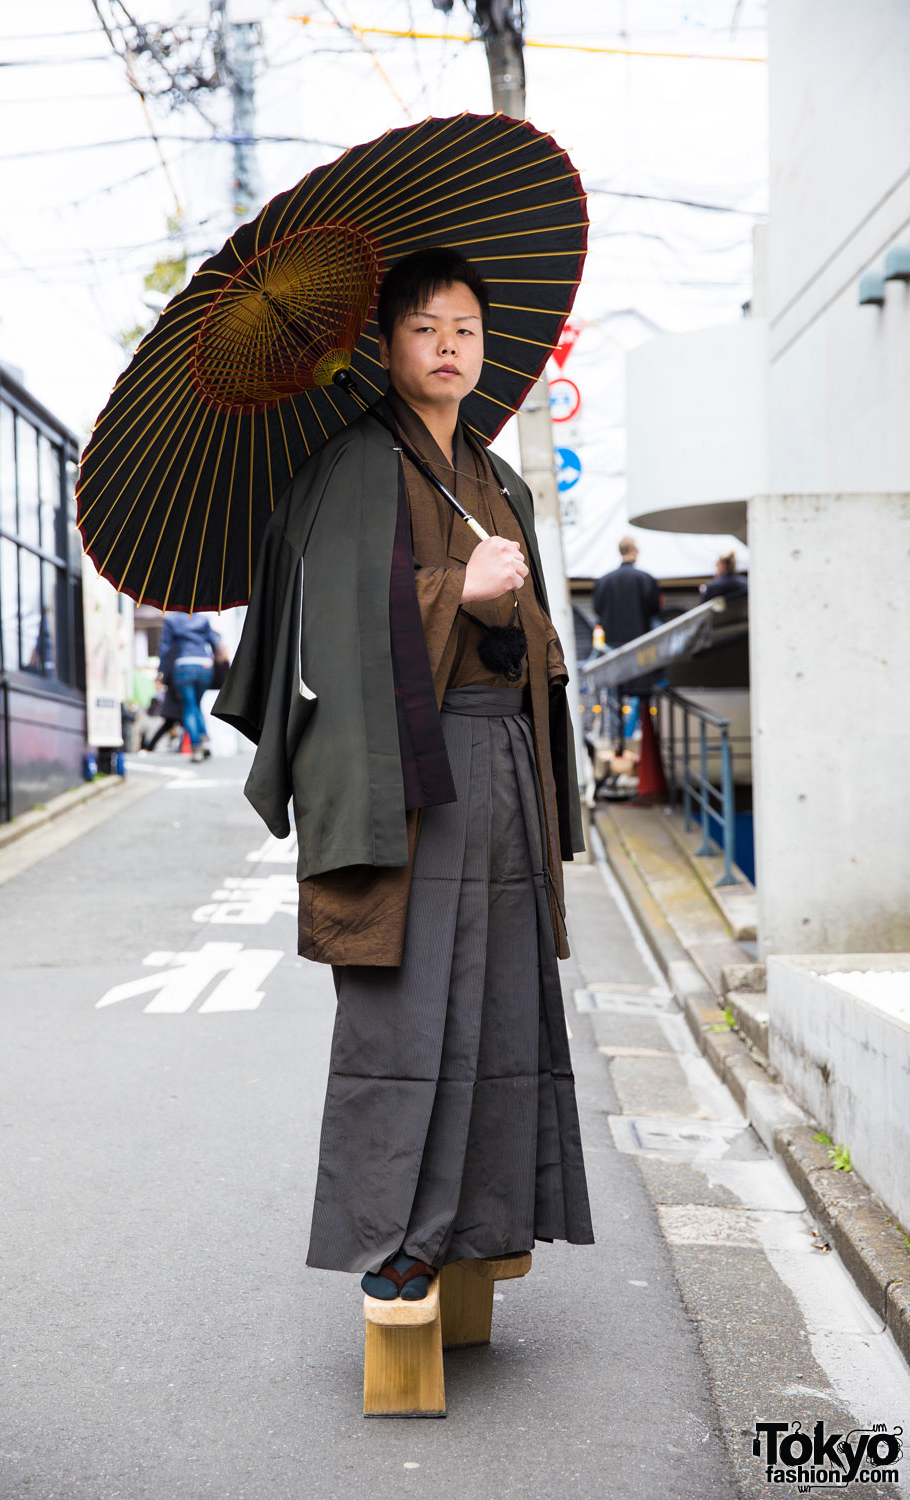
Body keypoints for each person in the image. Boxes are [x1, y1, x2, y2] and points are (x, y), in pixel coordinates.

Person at [214, 247, 594, 1304]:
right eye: (425, 328)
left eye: (465, 329)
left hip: (500, 771)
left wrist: (500, 612)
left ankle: (485, 1222)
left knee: (500, 1008)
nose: (448, 347)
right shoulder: (351, 467)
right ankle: (401, 1238)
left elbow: (527, 644)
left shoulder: (494, 475)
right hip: (405, 783)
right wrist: (453, 592)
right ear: (385, 348)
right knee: (408, 1010)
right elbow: (331, 639)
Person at [592, 537, 662, 752]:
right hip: (641, 648)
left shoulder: (603, 581)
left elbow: (597, 611)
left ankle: (617, 746)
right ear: (634, 551)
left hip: (613, 648)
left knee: (614, 698)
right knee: (643, 698)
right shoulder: (646, 579)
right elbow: (654, 612)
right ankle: (647, 748)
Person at [158, 612, 222, 762]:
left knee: (189, 706)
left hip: (184, 665)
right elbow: (214, 642)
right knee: (196, 705)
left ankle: (196, 746)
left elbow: (165, 647)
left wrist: (161, 671)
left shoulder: (171, 620)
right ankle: (204, 737)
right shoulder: (204, 620)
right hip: (204, 665)